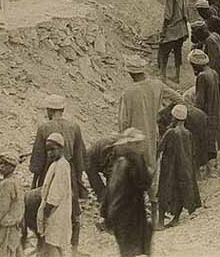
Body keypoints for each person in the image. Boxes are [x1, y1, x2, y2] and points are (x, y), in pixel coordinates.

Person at [28, 95, 87, 254]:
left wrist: (35, 182)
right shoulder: (74, 127)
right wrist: (78, 181)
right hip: (70, 173)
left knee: (45, 209)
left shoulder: (44, 128)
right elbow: (80, 156)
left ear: (49, 110)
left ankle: (43, 245)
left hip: (49, 172)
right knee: (73, 211)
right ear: (62, 109)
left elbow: (38, 158)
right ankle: (74, 248)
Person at [118, 55, 182, 173]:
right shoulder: (157, 85)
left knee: (135, 169)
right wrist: (165, 113)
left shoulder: (127, 93)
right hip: (153, 133)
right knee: (151, 166)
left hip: (134, 138)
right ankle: (152, 190)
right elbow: (178, 99)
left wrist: (123, 140)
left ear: (130, 74)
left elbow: (123, 122)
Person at [102, 129, 153, 257]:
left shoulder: (119, 164)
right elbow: (145, 183)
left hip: (120, 216)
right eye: (137, 144)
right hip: (129, 217)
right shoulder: (132, 164)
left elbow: (109, 191)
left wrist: (104, 213)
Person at [156, 104, 201, 230]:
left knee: (164, 191)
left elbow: (160, 148)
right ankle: (176, 218)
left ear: (174, 118)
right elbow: (192, 152)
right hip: (184, 168)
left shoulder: (170, 132)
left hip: (169, 168)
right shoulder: (188, 134)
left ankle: (160, 222)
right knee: (180, 192)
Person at [188, 49, 220, 177]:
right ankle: (212, 168)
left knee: (201, 141)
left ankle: (202, 171)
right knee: (211, 140)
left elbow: (200, 100)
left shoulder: (202, 77)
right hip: (215, 111)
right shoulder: (214, 73)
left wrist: (193, 113)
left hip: (205, 113)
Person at [37, 133, 72, 257]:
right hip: (54, 211)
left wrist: (47, 211)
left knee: (51, 245)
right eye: (48, 150)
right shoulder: (55, 164)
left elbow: (56, 192)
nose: (50, 153)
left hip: (56, 212)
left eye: (53, 149)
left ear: (61, 149)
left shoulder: (62, 165)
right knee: (56, 244)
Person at [0, 153, 24, 257]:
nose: (0, 167)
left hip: (4, 231)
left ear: (11, 167)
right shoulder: (17, 182)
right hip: (14, 229)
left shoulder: (6, 184)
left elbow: (0, 210)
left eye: (4, 164)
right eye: (0, 164)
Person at [159, 0, 192, 83]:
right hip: (182, 27)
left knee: (163, 51)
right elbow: (187, 10)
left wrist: (164, 29)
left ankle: (162, 76)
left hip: (173, 28)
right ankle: (177, 76)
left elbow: (168, 14)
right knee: (178, 51)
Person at [85, 134, 121, 202]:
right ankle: (103, 198)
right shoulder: (108, 148)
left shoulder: (124, 151)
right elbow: (108, 171)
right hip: (92, 159)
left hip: (107, 156)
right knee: (95, 179)